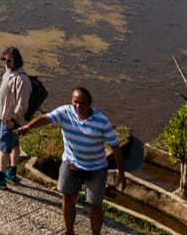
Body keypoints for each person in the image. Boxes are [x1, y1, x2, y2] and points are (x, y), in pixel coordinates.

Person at [16, 86, 125, 235]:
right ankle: (69, 232)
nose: (78, 106)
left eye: (82, 103)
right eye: (75, 102)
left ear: (90, 103)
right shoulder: (65, 112)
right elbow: (46, 118)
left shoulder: (102, 121)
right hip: (71, 163)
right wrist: (28, 127)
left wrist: (121, 174)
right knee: (67, 197)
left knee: (95, 205)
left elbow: (115, 147)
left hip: (96, 167)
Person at [0, 46, 33, 187]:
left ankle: (0, 178)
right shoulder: (9, 73)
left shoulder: (22, 79)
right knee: (15, 145)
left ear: (17, 61)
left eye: (9, 60)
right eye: (3, 59)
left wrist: (12, 120)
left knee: (4, 148)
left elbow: (22, 105)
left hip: (11, 120)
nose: (5, 63)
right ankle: (12, 173)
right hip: (7, 117)